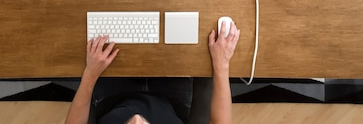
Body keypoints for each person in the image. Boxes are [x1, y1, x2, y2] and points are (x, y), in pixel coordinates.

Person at [64, 21, 240, 124]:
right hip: (171, 97)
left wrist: (91, 73)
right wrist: (222, 64)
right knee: (182, 15)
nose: (136, 121)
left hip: (113, 95)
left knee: (114, 6)